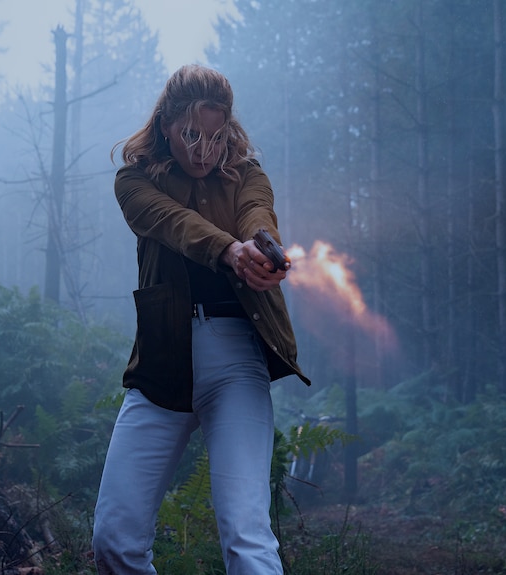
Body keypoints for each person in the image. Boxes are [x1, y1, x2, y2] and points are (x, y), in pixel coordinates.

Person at [92, 64, 310, 575]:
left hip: (237, 361)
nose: (203, 150)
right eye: (191, 134)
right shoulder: (134, 180)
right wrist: (229, 252)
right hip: (164, 362)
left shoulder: (247, 172)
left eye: (215, 137)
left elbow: (258, 210)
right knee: (114, 539)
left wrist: (259, 245)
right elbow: (173, 223)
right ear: (166, 125)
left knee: (247, 537)